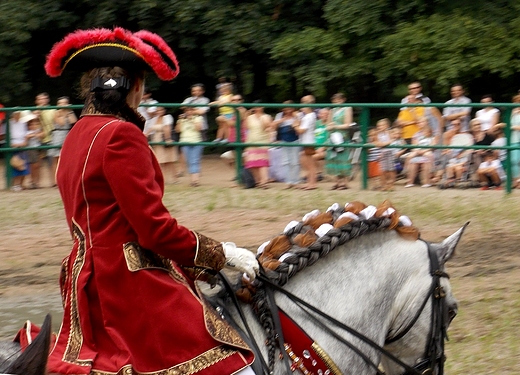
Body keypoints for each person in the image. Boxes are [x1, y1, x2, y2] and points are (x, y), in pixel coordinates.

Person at [42, 27, 257, 375]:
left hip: (86, 281)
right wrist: (221, 254)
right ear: (135, 87)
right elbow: (154, 231)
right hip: (127, 284)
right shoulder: (121, 135)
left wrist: (198, 266)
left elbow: (111, 221)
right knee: (234, 367)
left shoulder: (76, 134)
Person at [325, 93, 354, 190]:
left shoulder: (347, 109)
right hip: (333, 137)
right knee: (334, 159)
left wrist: (336, 126)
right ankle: (337, 181)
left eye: (339, 99)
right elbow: (327, 125)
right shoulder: (332, 111)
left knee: (343, 158)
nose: (337, 101)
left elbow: (348, 124)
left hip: (343, 137)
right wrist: (330, 126)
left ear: (343, 100)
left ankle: (344, 183)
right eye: (334, 100)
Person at [145, 106, 178, 184]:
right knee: (161, 161)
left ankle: (175, 178)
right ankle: (164, 179)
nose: (159, 112)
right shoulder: (154, 119)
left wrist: (168, 139)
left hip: (164, 138)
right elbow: (150, 129)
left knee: (170, 161)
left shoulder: (167, 117)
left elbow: (167, 128)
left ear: (164, 110)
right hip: (157, 139)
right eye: (157, 110)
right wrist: (145, 135)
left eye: (161, 110)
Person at [272, 100, 300, 189]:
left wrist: (296, 118)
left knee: (295, 161)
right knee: (285, 161)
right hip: (284, 140)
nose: (287, 110)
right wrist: (282, 120)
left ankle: (295, 181)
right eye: (285, 108)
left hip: (295, 140)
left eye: (289, 108)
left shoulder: (297, 115)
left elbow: (300, 124)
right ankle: (288, 181)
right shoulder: (279, 115)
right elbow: (273, 125)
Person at [243, 101, 272, 188]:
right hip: (251, 141)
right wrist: (246, 115)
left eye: (259, 106)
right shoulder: (250, 117)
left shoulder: (266, 117)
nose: (257, 108)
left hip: (262, 141)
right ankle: (258, 180)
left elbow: (268, 127)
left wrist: (262, 120)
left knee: (262, 163)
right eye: (255, 107)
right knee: (252, 163)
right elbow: (246, 127)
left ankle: (264, 181)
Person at [49, 96, 77, 187]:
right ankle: (55, 181)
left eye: (65, 103)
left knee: (65, 158)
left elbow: (74, 121)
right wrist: (65, 113)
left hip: (66, 135)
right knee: (56, 159)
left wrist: (69, 111)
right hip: (58, 135)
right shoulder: (56, 113)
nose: (63, 105)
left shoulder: (69, 112)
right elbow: (61, 123)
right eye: (61, 103)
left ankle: (64, 178)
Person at [175, 106, 204, 186]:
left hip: (196, 141)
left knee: (194, 161)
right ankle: (193, 179)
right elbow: (178, 130)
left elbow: (198, 128)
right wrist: (180, 121)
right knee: (189, 161)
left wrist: (191, 120)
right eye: (187, 110)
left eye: (191, 110)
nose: (189, 112)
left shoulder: (198, 118)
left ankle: (195, 181)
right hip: (185, 141)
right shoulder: (182, 120)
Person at [295, 95, 318, 190]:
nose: (302, 105)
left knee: (310, 164)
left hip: (308, 141)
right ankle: (310, 182)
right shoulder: (308, 116)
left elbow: (301, 130)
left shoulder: (309, 116)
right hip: (306, 141)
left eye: (304, 102)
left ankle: (312, 184)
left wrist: (295, 126)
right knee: (307, 163)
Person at [8, 111, 30, 191]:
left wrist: (25, 142)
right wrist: (12, 144)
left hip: (22, 145)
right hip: (13, 145)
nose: (17, 116)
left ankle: (21, 184)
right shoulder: (9, 123)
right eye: (16, 114)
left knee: (23, 165)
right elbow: (7, 135)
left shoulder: (23, 123)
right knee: (15, 164)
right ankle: (14, 184)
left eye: (19, 114)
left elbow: (26, 134)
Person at [373, 118, 396, 191]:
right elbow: (378, 144)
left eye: (382, 125)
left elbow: (393, 139)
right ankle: (384, 185)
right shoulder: (377, 134)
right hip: (382, 153)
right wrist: (387, 143)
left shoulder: (389, 132)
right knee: (383, 170)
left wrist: (383, 144)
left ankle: (391, 185)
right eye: (378, 126)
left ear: (386, 125)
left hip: (389, 152)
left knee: (391, 170)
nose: (380, 127)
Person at [25, 115, 44, 189]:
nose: (34, 126)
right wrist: (35, 135)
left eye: (36, 124)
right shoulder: (28, 132)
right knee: (33, 166)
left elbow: (42, 135)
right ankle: (32, 181)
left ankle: (37, 182)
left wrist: (37, 134)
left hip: (38, 149)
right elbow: (28, 137)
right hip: (32, 150)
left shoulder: (39, 130)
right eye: (32, 124)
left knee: (38, 166)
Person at [510, 94, 520, 188]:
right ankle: (516, 180)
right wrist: (513, 113)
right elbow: (508, 124)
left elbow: (512, 126)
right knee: (514, 160)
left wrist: (515, 127)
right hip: (514, 139)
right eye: (516, 101)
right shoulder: (513, 111)